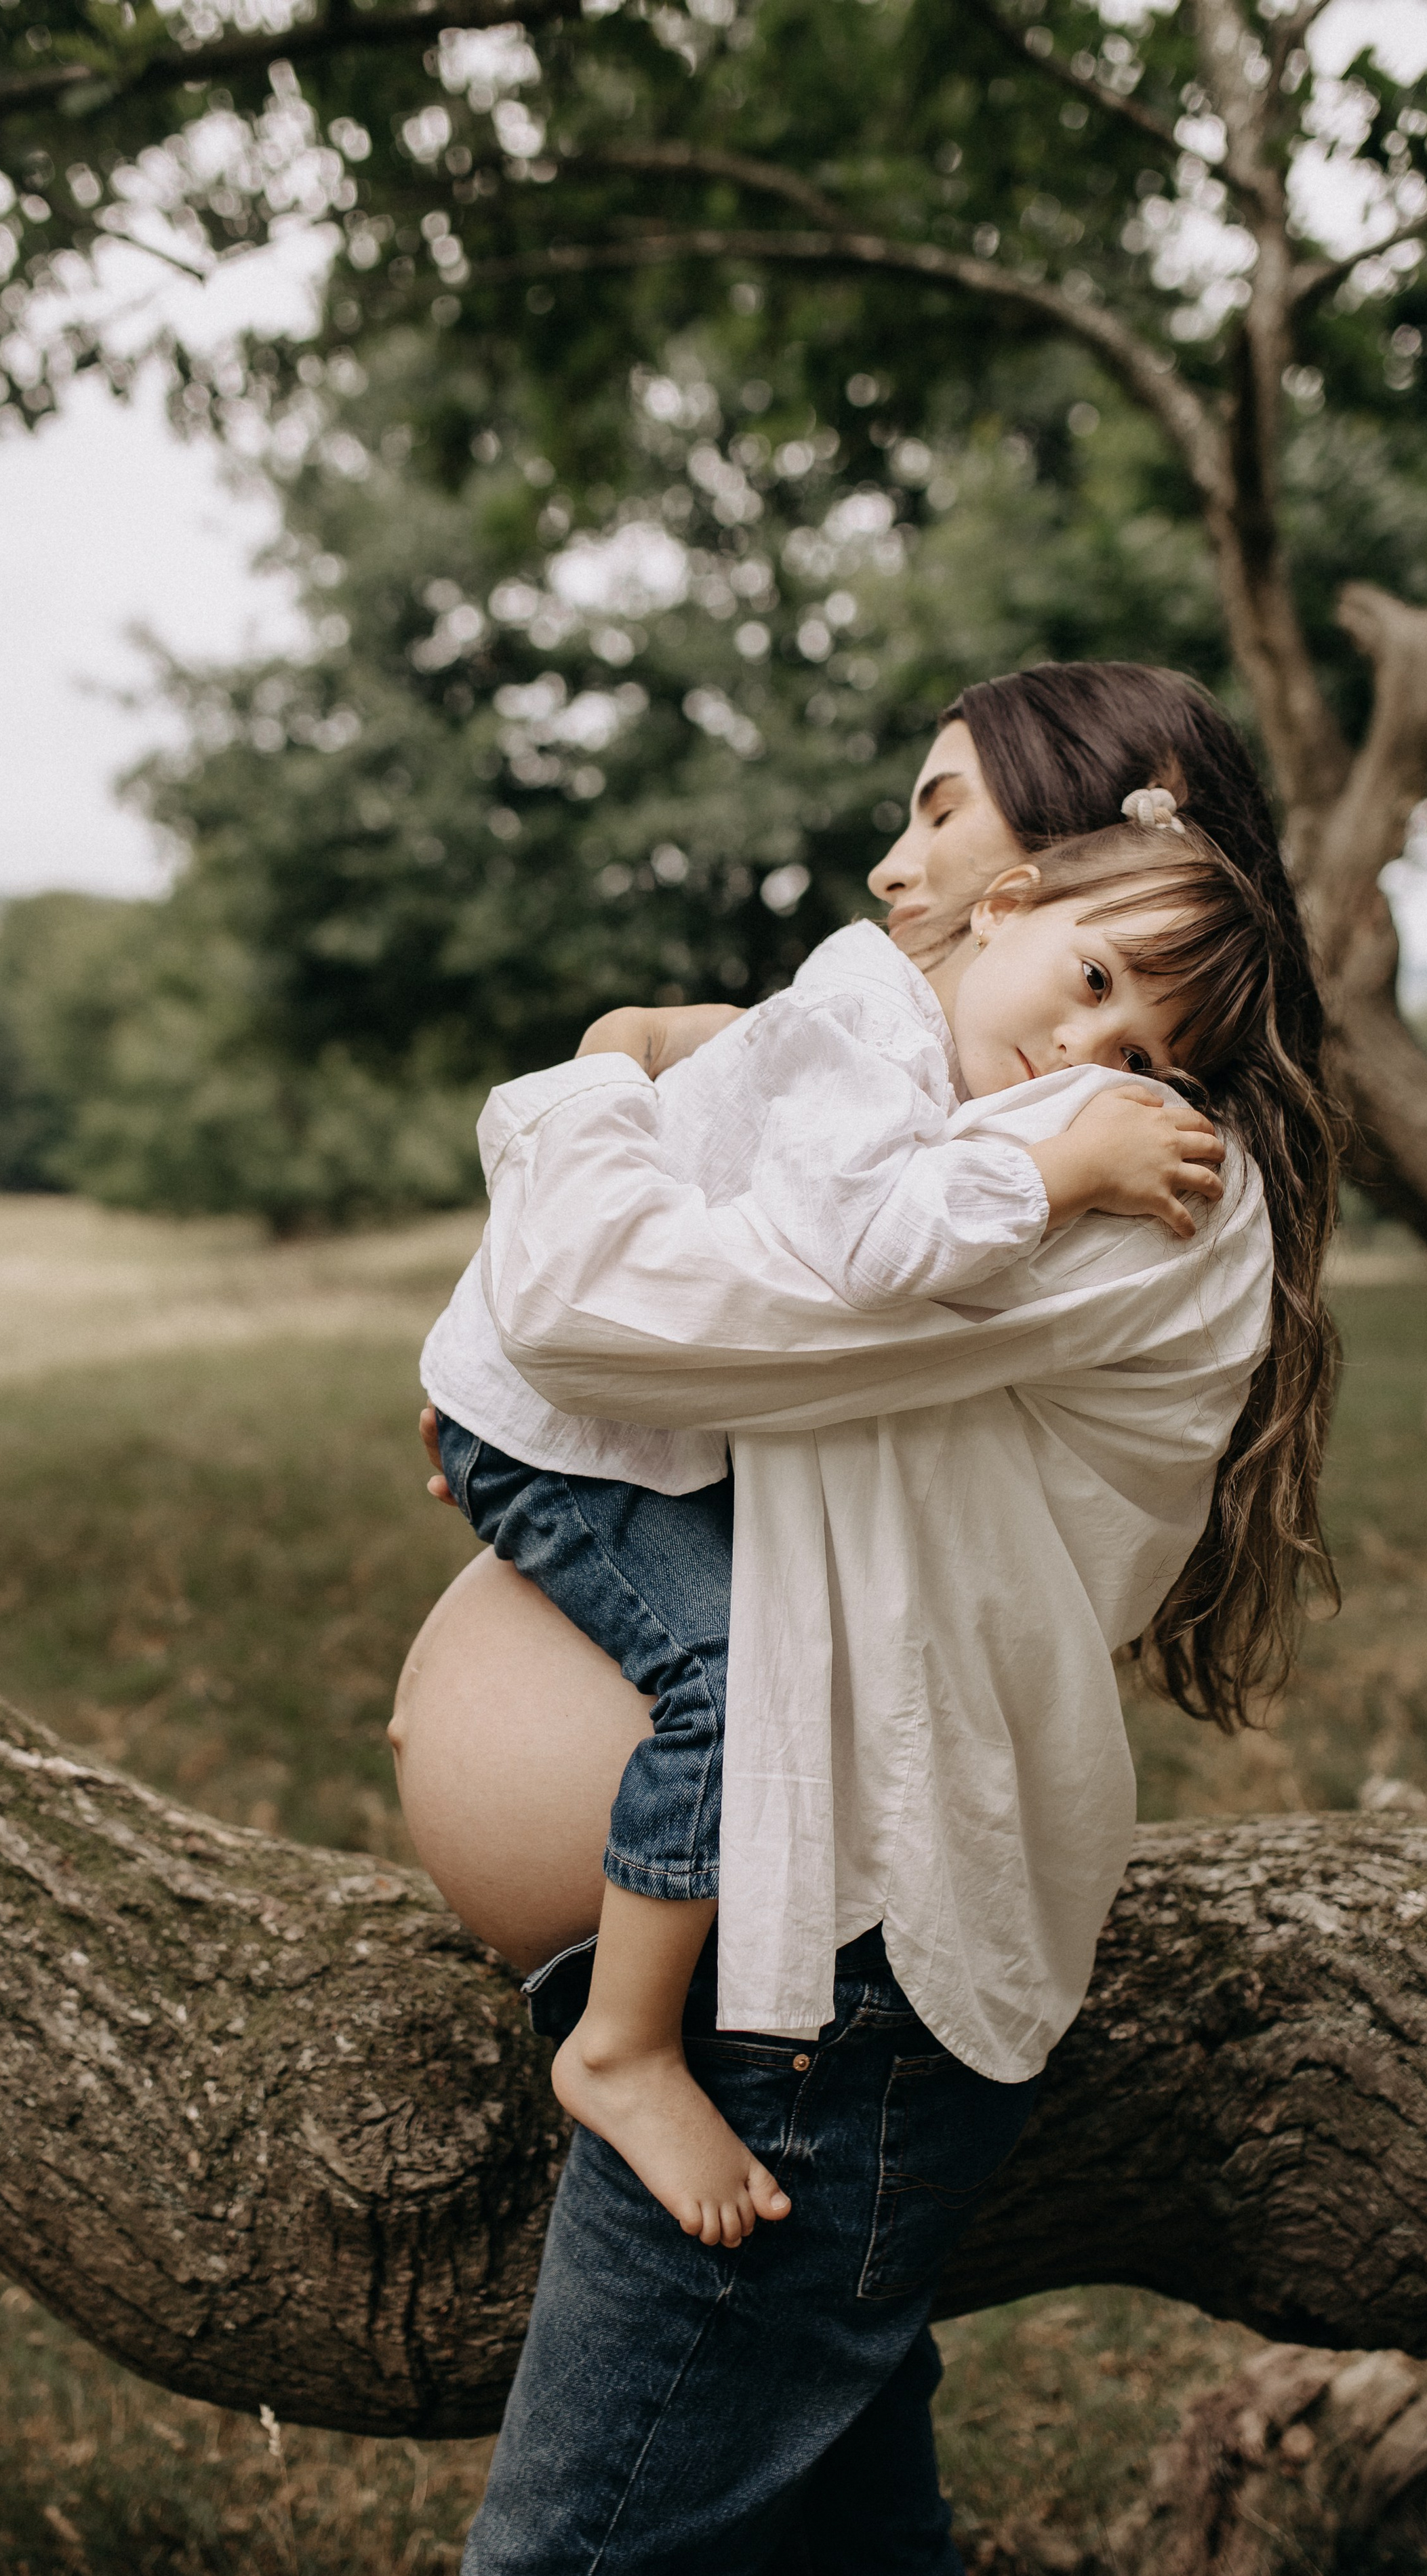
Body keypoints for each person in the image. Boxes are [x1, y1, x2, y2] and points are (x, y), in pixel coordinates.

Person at [390, 660, 1342, 2576]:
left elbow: (591, 1298)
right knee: (843, 2558)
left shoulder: (1113, 1163)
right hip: (776, 1953)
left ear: (1109, 830)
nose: (897, 867)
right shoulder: (964, 1085)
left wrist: (597, 1066)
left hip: (818, 1978)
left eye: (944, 810)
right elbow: (689, 1304)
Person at [421, 803, 1235, 2247]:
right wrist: (1062, 1171)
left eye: (1136, 1064)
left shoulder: (915, 1041)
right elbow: (864, 1245)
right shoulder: (863, 1021)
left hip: (600, 1423)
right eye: (1093, 981)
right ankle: (619, 2045)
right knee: (728, 1683)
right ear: (1008, 903)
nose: (1079, 1058)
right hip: (562, 1433)